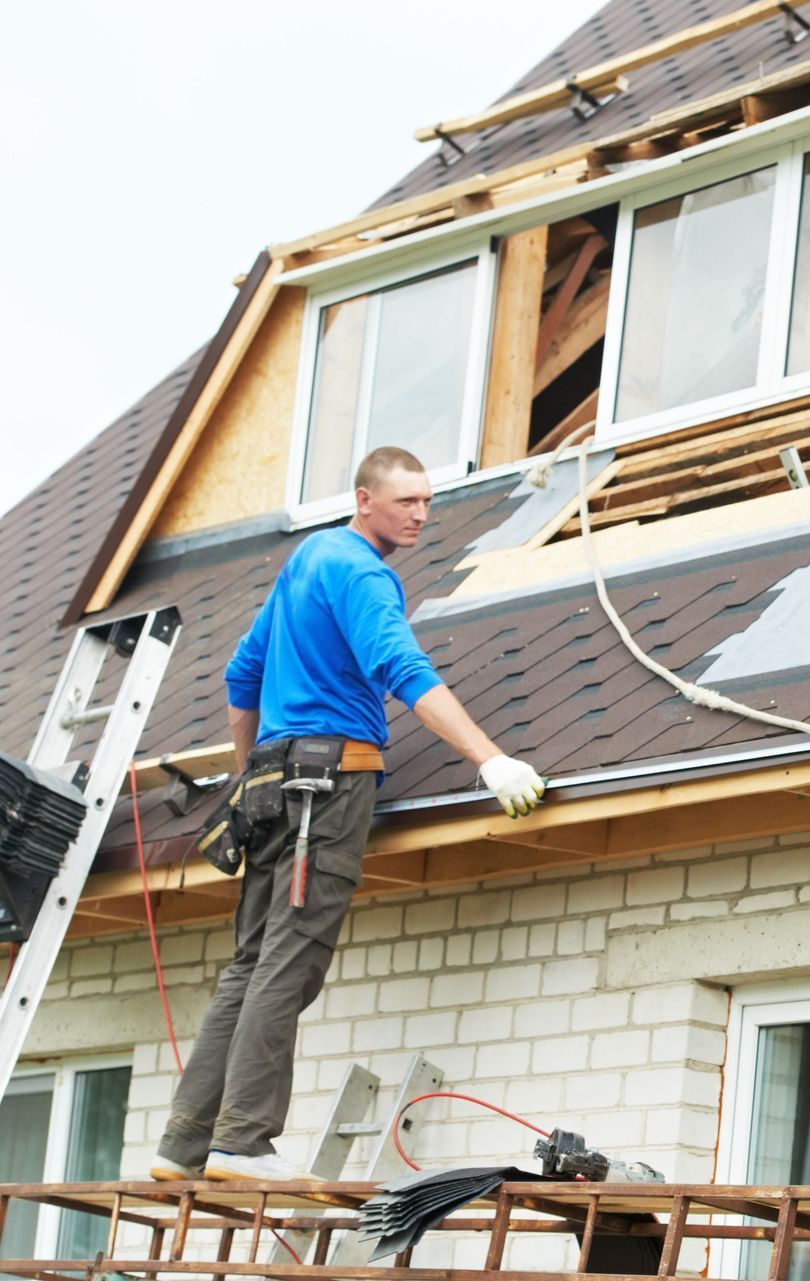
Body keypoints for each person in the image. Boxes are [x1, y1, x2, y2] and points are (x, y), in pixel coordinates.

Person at [151, 447, 548, 1184]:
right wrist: (489, 758)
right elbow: (402, 668)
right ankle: (243, 1140)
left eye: (427, 501)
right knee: (290, 959)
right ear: (364, 499)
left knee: (250, 962)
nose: (421, 515)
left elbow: (243, 675)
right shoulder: (365, 572)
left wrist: (251, 777)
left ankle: (184, 1145)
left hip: (277, 782)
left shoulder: (307, 559)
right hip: (328, 788)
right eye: (406, 502)